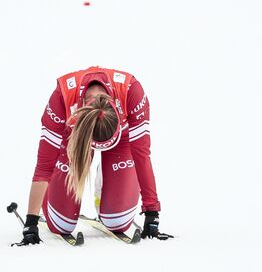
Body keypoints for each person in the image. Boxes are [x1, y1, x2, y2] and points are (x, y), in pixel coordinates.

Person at [19, 66, 172, 245]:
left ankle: (107, 179)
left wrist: (152, 213)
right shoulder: (62, 97)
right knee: (61, 224)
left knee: (118, 221)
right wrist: (31, 222)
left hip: (122, 138)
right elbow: (44, 166)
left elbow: (141, 155)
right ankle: (59, 196)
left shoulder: (131, 91)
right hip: (76, 138)